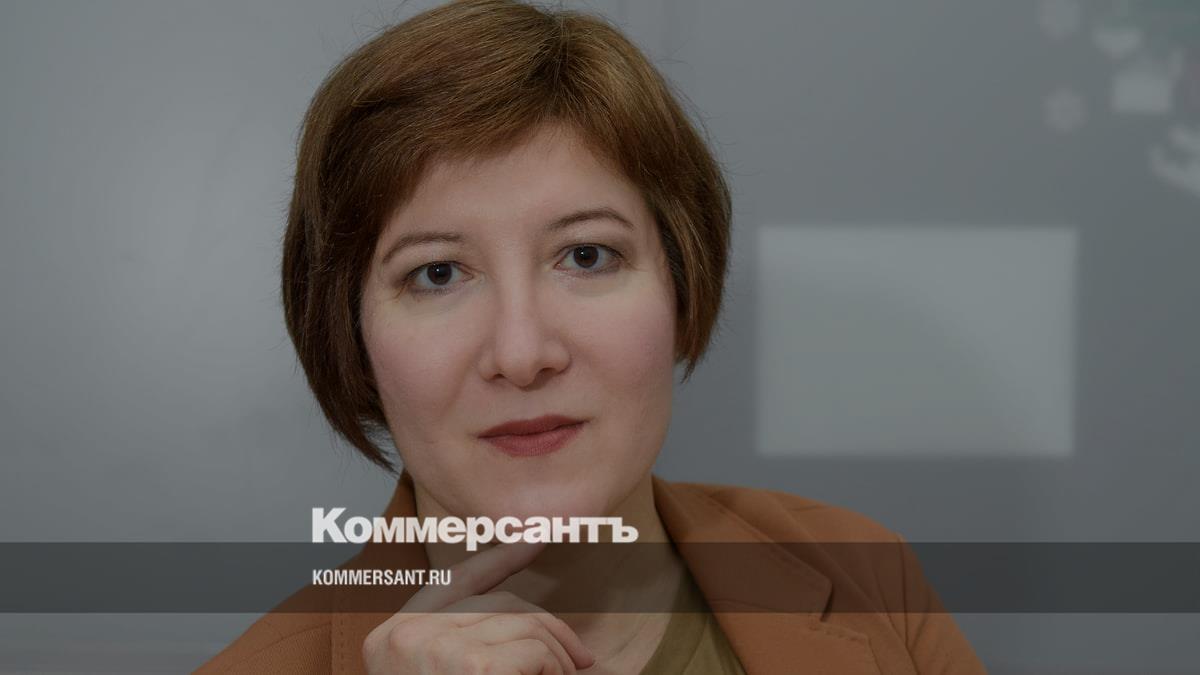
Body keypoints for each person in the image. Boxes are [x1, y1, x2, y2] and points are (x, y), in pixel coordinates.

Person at [198, 1, 987, 672]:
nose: (522, 354)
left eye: (586, 256)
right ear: (350, 334)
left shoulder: (864, 575)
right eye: (437, 273)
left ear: (682, 282)